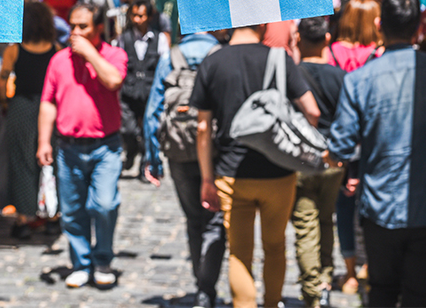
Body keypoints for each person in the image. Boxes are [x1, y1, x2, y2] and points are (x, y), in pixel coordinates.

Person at [327, 0, 426, 308]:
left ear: (380, 24)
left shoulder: (359, 80)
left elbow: (341, 146)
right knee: (420, 295)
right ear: (419, 28)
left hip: (381, 206)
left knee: (382, 291)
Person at [193, 24, 320, 308]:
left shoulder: (213, 61)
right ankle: (272, 304)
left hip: (231, 174)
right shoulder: (279, 58)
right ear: (262, 24)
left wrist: (206, 179)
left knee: (239, 252)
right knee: (275, 247)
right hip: (279, 173)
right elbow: (313, 111)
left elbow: (202, 128)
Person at [38, 3, 128, 290]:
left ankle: (102, 259)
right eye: (72, 26)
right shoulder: (58, 60)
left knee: (104, 204)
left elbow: (114, 80)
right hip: (69, 147)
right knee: (73, 210)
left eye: (83, 27)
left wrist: (90, 53)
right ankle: (81, 262)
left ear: (98, 28)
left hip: (106, 146)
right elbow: (48, 102)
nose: (75, 32)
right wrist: (43, 140)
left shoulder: (114, 55)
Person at [142, 29, 228, 308]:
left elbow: (153, 112)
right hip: (215, 152)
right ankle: (207, 287)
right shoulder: (220, 55)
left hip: (178, 152)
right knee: (215, 220)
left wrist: (153, 158)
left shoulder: (171, 57)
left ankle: (199, 281)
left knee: (193, 220)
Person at [326, 0, 382, 295]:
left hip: (342, 142)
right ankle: (370, 267)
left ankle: (348, 274)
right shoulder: (379, 56)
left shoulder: (331, 53)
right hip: (373, 144)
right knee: (373, 208)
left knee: (343, 210)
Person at [291, 17, 346, 308]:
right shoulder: (340, 77)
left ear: (298, 38)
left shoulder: (293, 75)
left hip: (300, 161)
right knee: (326, 220)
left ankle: (312, 290)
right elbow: (349, 123)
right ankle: (324, 278)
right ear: (327, 40)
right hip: (333, 162)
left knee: (305, 224)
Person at [0, 1, 59, 239]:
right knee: (50, 161)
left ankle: (24, 218)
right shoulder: (56, 48)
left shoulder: (15, 49)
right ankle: (53, 216)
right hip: (50, 109)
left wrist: (4, 103)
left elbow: (2, 84)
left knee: (21, 162)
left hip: (22, 107)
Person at [117, 0, 169, 177]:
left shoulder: (159, 38)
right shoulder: (124, 38)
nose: (137, 20)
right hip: (129, 92)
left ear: (149, 16)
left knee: (149, 129)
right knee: (129, 129)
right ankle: (131, 151)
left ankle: (144, 166)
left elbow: (164, 65)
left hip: (150, 92)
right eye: (134, 15)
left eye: (141, 15)